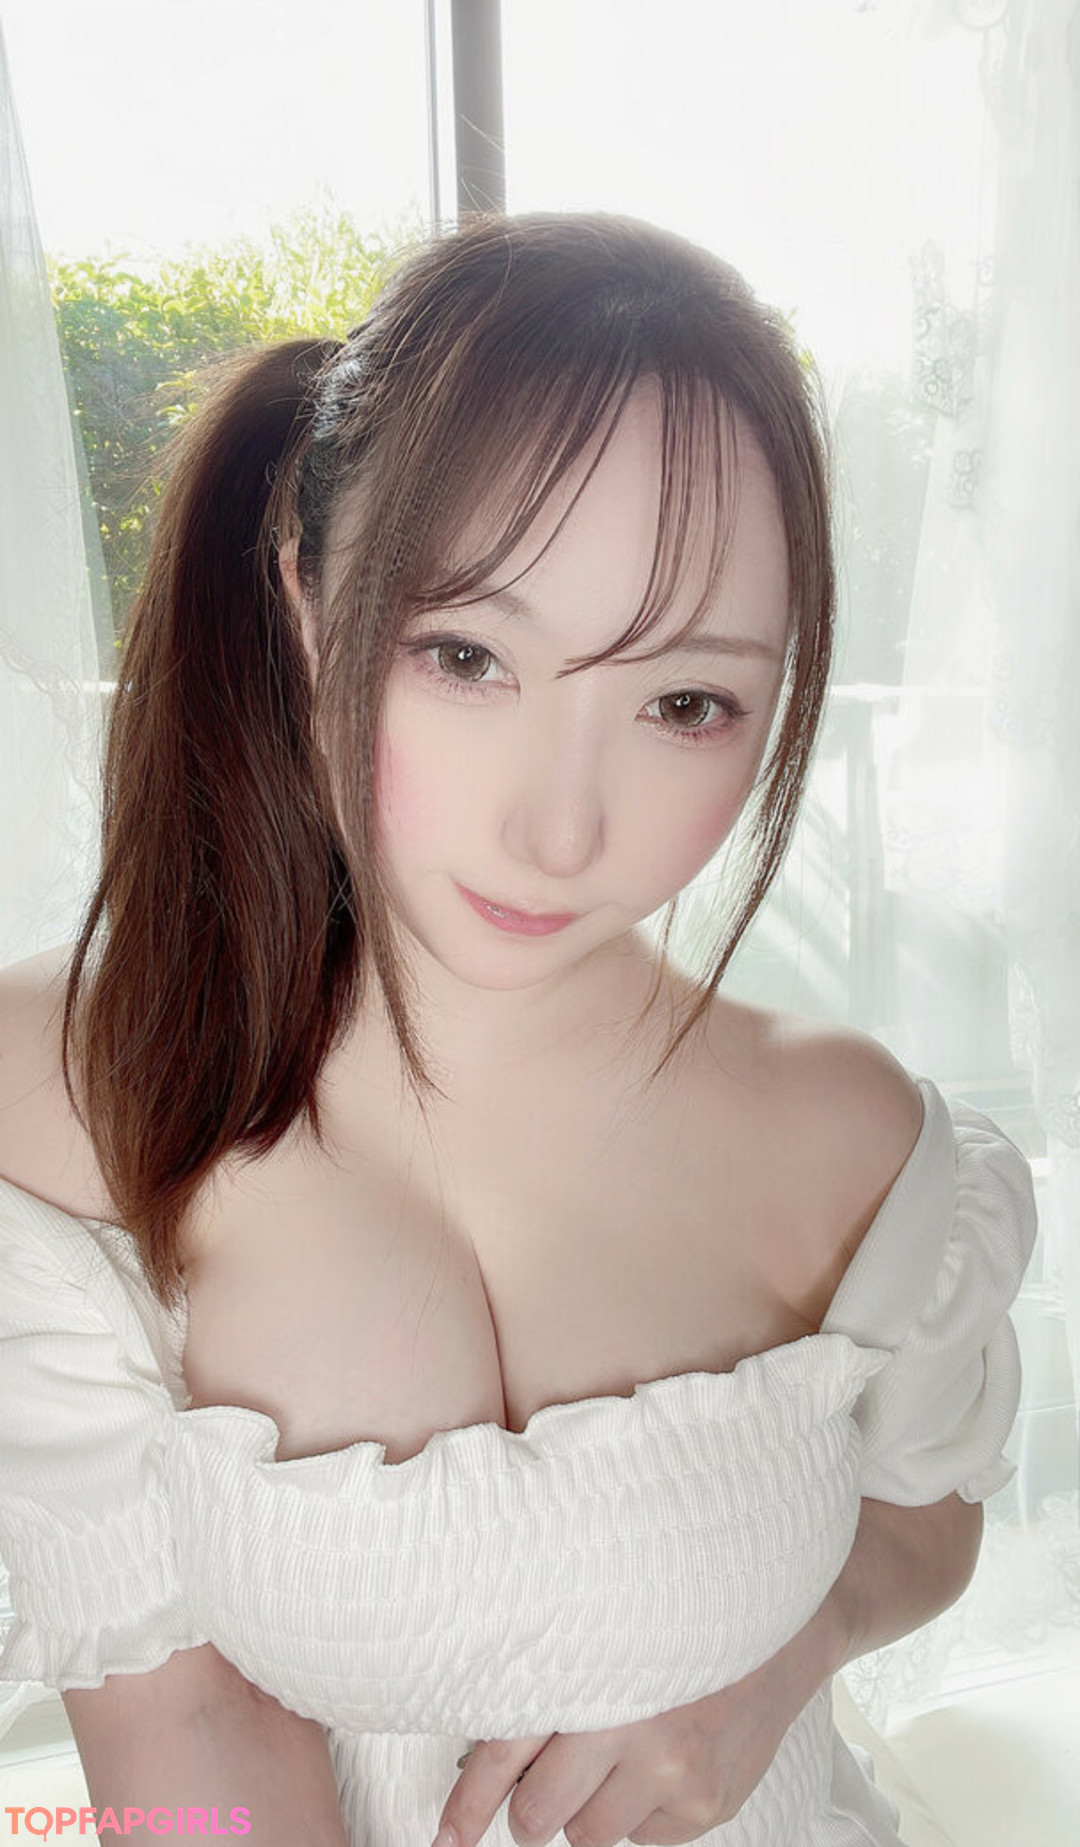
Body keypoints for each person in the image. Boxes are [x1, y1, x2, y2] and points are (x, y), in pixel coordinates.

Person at [0, 213, 1035, 1847]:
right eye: (467, 656)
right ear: (304, 599)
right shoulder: (73, 1092)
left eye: (685, 703)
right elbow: (179, 1732)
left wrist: (771, 1671)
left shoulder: (853, 1133)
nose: (561, 832)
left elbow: (927, 1515)